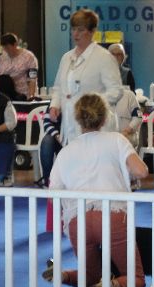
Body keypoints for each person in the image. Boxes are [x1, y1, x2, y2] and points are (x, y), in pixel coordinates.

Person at [45, 93, 148, 287]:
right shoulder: (117, 140)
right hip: (112, 215)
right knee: (135, 279)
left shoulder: (66, 150)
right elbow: (141, 171)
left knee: (89, 275)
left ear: (77, 119)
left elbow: (52, 194)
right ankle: (110, 285)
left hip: (77, 220)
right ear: (104, 118)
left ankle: (63, 275)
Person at [42, 9, 124, 185]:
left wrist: (93, 104)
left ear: (92, 31)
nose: (75, 34)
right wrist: (55, 105)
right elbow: (58, 87)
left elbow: (116, 91)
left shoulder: (104, 58)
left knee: (96, 173)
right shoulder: (66, 58)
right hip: (70, 124)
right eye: (73, 29)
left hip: (97, 125)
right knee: (74, 171)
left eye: (81, 29)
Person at [0, 33, 39, 101]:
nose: (6, 50)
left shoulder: (28, 57)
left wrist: (31, 96)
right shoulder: (3, 57)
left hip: (24, 94)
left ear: (15, 44)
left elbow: (32, 78)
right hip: (8, 95)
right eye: (4, 48)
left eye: (8, 47)